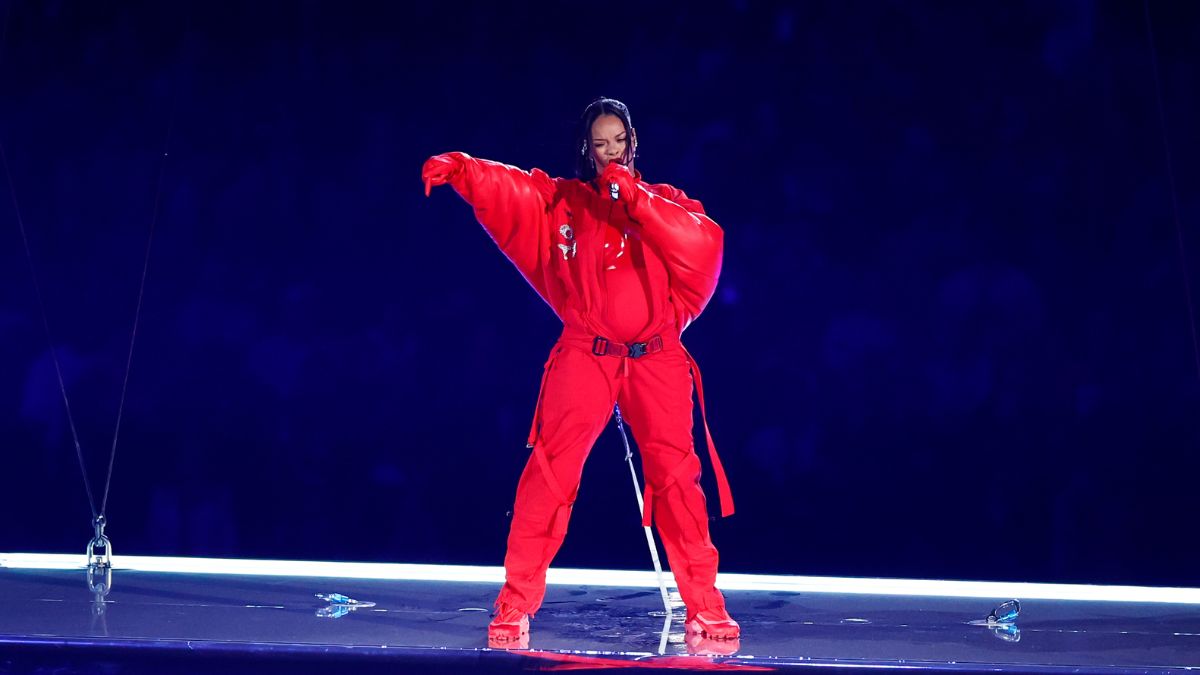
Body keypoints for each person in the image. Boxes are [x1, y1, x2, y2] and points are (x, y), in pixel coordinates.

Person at [421, 97, 738, 644]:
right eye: (600, 144)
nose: (610, 152)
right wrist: (468, 172)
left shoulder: (665, 202)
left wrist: (636, 200)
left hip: (655, 358)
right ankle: (515, 603)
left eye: (619, 142)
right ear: (587, 150)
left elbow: (702, 242)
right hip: (586, 353)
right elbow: (517, 190)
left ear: (632, 144)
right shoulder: (568, 203)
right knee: (549, 474)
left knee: (677, 482)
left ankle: (705, 606)